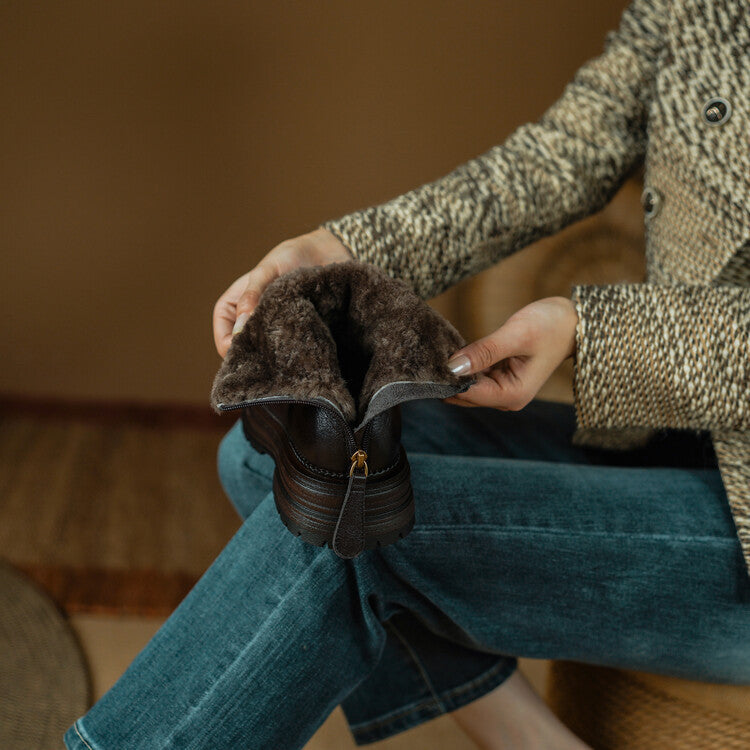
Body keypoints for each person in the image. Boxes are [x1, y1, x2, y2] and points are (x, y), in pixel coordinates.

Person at [66, 0, 750, 747]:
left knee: (353, 508)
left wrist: (597, 333)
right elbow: (566, 152)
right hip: (690, 437)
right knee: (272, 452)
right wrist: (333, 252)